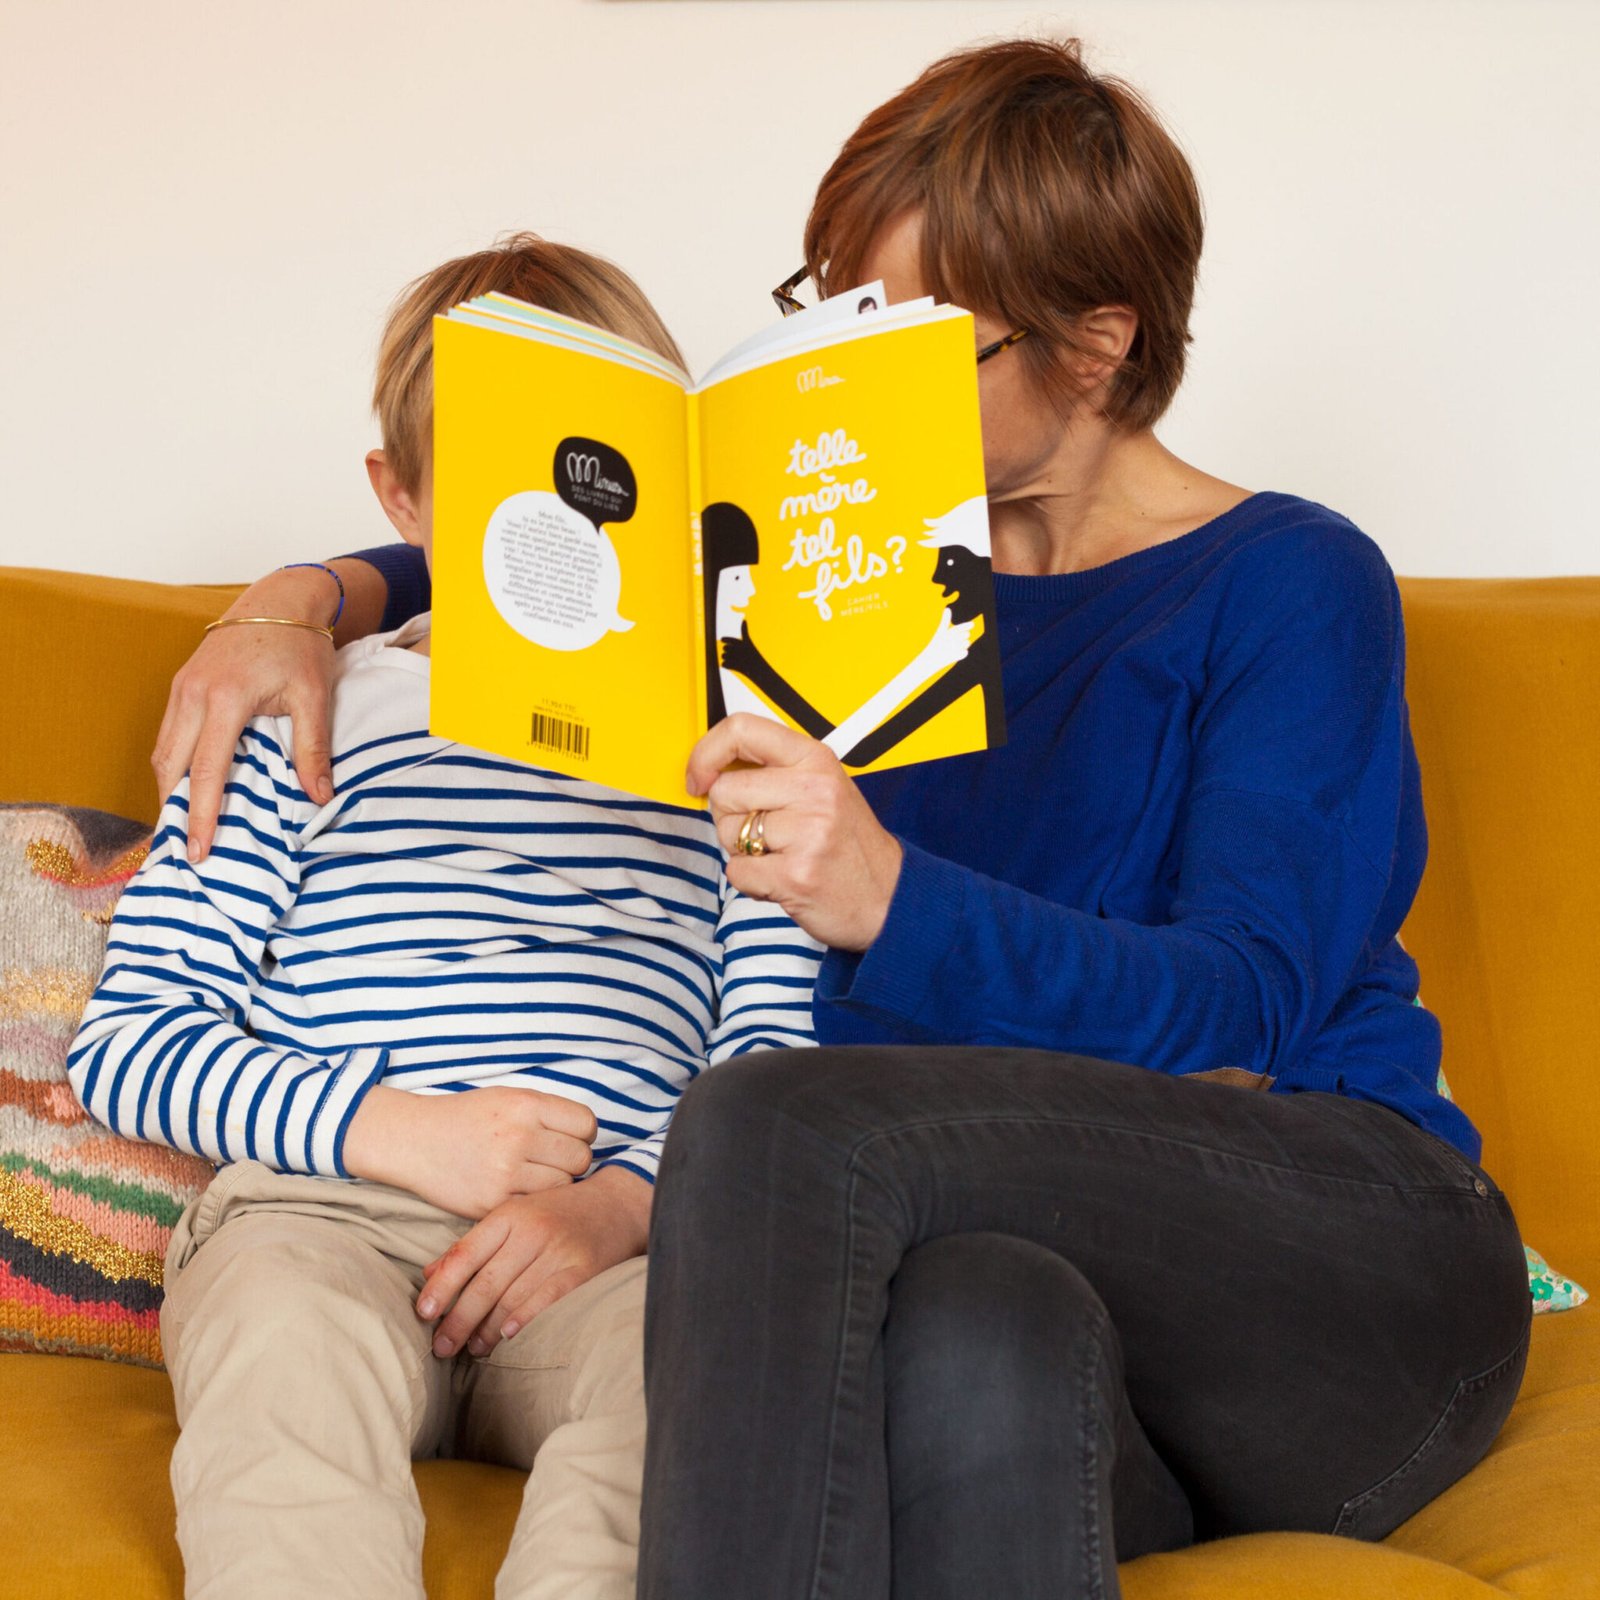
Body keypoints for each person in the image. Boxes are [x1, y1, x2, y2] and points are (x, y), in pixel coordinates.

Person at [151, 40, 1532, 1600]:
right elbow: (544, 546)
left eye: (918, 341)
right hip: (1064, 1292)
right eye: (835, 310)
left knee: (766, 1122)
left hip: (1341, 1273)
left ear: (1096, 346)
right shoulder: (835, 594)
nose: (853, 372)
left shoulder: (1290, 581)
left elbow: (1247, 1011)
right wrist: (303, 598)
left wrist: (886, 898)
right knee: (968, 1336)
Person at [68, 234, 820, 1600]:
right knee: (282, 1368)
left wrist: (632, 1201)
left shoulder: (743, 753)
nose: (559, 537)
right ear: (401, 498)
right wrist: (403, 1132)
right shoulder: (308, 708)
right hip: (324, 1216)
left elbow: (772, 1051)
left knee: (712, 1391)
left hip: (618, 1250)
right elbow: (132, 1045)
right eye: (496, 489)